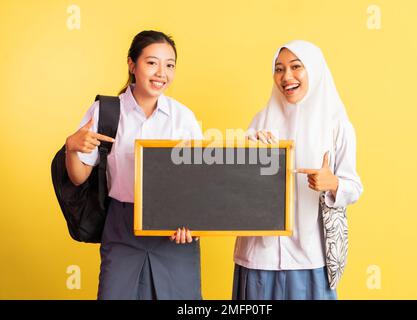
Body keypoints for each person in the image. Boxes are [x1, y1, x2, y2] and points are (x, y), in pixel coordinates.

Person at [64, 30, 203, 300]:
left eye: (170, 65)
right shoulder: (106, 112)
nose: (161, 72)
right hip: (122, 227)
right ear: (131, 64)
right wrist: (72, 147)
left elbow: (197, 183)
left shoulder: (183, 117)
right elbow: (79, 177)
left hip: (173, 231)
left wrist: (191, 221)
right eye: (152, 62)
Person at [232, 40, 363, 300]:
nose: (286, 77)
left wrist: (333, 183)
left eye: (296, 67)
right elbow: (236, 187)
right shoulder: (260, 121)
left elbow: (354, 186)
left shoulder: (337, 125)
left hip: (309, 258)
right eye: (279, 69)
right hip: (259, 256)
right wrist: (249, 154)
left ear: (313, 70)